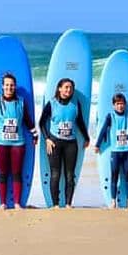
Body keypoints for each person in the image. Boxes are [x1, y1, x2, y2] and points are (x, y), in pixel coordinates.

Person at [0, 73, 38, 210]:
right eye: (7, 85)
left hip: (18, 143)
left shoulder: (21, 102)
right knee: (2, 173)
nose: (9, 87)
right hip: (0, 143)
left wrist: (34, 134)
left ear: (15, 86)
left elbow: (28, 121)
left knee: (17, 173)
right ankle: (2, 203)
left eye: (11, 85)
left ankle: (17, 203)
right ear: (2, 86)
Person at [39, 78, 90, 208]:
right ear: (59, 88)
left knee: (69, 175)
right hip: (55, 143)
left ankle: (68, 204)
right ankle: (55, 204)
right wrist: (47, 139)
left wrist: (86, 137)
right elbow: (41, 122)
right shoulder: (52, 104)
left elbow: (80, 122)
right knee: (55, 174)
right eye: (66, 87)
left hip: (71, 143)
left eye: (71, 88)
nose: (68, 90)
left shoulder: (75, 104)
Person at [94, 93, 128, 209]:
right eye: (117, 104)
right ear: (113, 105)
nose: (120, 106)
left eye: (122, 104)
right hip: (115, 152)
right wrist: (97, 145)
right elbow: (104, 130)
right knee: (114, 176)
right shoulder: (110, 116)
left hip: (127, 151)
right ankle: (113, 202)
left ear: (125, 105)